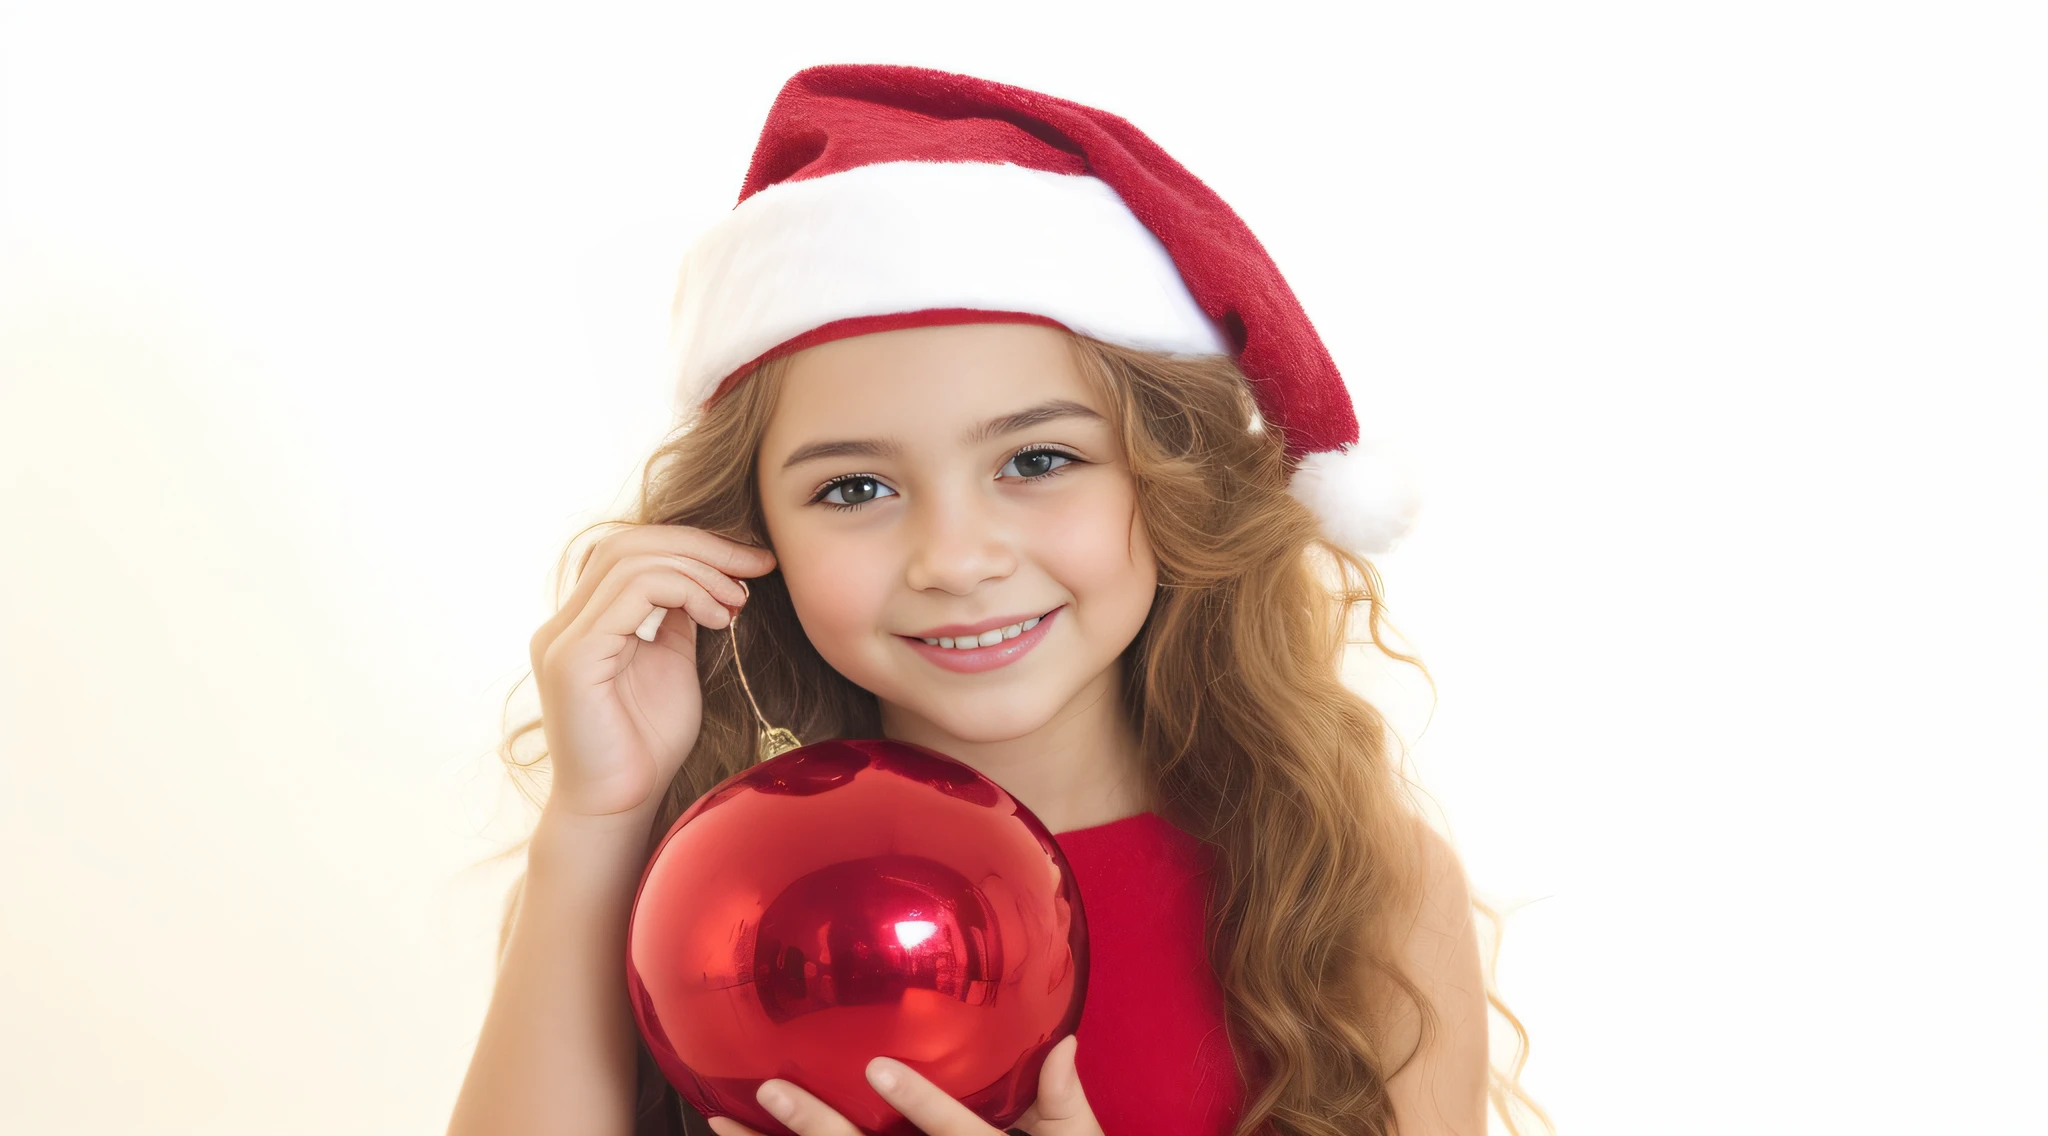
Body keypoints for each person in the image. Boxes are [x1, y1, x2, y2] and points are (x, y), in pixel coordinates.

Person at [447, 64, 1547, 1136]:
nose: (955, 557)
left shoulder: (1356, 885)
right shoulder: (683, 892)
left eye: (1034, 461)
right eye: (855, 487)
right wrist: (595, 820)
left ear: (1167, 477)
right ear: (751, 536)